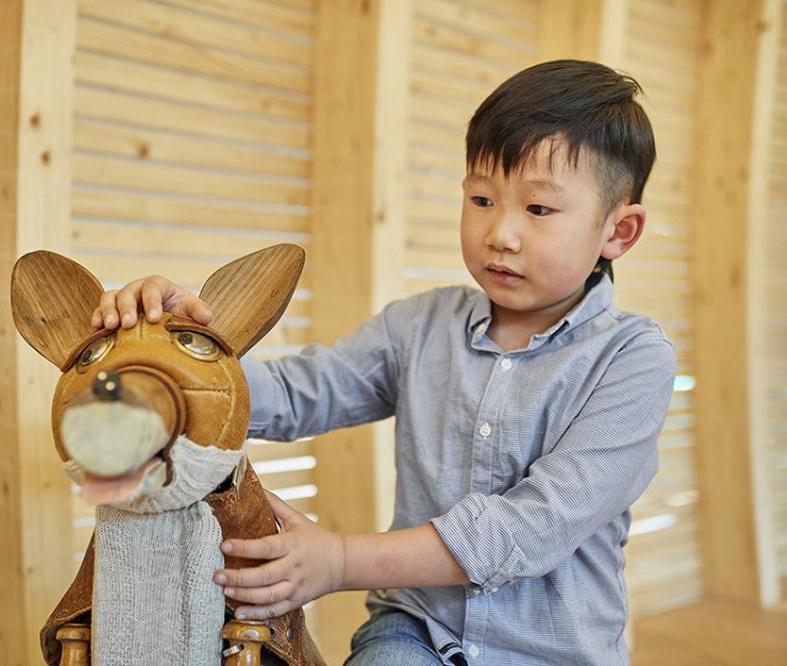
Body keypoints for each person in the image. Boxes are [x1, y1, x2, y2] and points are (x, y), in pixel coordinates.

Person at [89, 59, 676, 665]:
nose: (500, 232)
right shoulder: (418, 326)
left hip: (557, 651)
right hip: (415, 629)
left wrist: (340, 560)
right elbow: (302, 391)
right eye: (481, 197)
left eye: (539, 210)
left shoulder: (633, 359)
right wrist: (172, 351)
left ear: (619, 231)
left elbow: (533, 526)